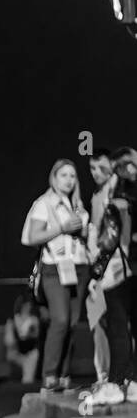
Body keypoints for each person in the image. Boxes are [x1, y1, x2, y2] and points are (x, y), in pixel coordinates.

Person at [22, 159, 90, 393]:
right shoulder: (45, 203)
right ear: (54, 177)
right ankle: (49, 373)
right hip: (55, 268)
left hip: (79, 266)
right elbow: (31, 236)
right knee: (60, 319)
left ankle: (64, 374)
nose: (69, 180)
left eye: (72, 175)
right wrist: (62, 228)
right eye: (63, 175)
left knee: (71, 322)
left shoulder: (78, 204)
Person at [85, 146, 137, 404]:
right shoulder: (115, 197)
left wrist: (96, 272)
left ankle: (118, 383)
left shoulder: (118, 199)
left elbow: (111, 238)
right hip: (125, 267)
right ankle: (129, 381)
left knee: (118, 324)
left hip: (123, 269)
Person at [4, 296, 42, 385]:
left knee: (34, 356)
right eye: (25, 305)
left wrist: (29, 334)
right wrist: (15, 340)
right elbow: (8, 341)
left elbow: (36, 336)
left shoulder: (34, 320)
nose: (27, 308)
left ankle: (27, 383)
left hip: (29, 353)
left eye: (29, 305)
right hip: (16, 353)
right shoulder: (12, 320)